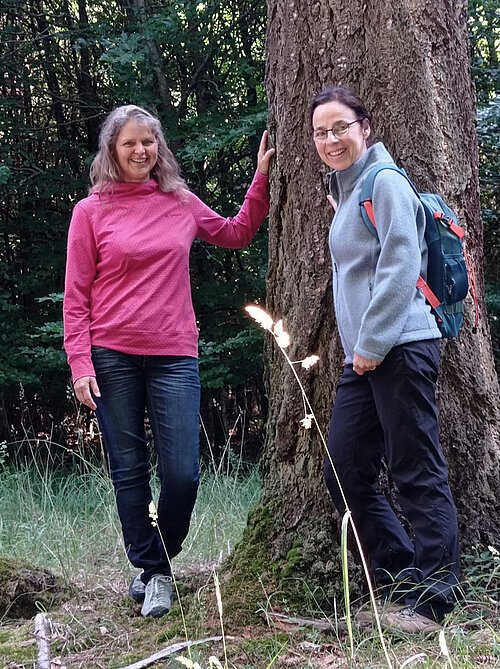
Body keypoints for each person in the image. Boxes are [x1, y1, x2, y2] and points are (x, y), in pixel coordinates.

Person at [63, 104, 274, 618]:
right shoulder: (90, 212)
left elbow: (235, 232)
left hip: (174, 353)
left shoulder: (178, 201)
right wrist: (81, 364)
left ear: (160, 149)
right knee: (129, 471)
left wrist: (261, 178)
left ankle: (160, 555)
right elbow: (76, 296)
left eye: (148, 142)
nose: (140, 151)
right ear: (111, 151)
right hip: (112, 355)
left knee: (182, 473)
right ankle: (155, 572)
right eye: (129, 143)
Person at [310, 86, 460, 633]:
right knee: (345, 470)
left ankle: (437, 594)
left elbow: (400, 265)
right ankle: (402, 580)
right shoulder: (349, 191)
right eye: (321, 132)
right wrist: (363, 353)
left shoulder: (385, 181)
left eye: (340, 127)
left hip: (399, 346)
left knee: (415, 468)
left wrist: (370, 346)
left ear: (364, 127)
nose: (331, 139)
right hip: (365, 357)